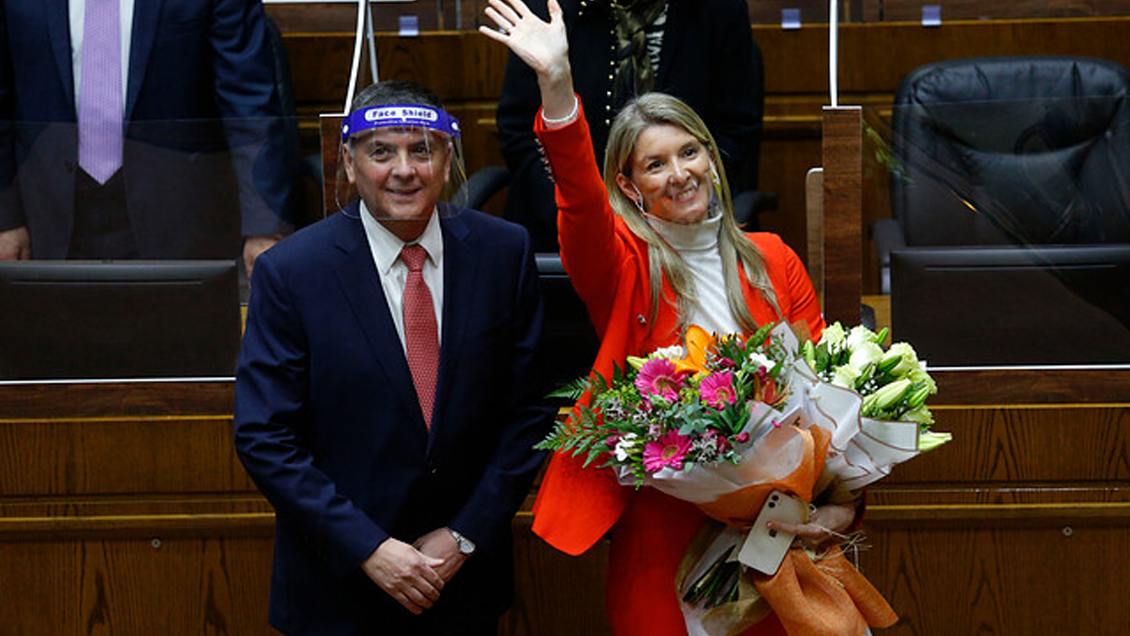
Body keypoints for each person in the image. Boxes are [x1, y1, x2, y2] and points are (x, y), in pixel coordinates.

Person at [481, 2, 887, 634]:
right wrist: (557, 85)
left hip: (779, 530)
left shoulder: (773, 260)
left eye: (690, 152)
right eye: (655, 164)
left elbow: (826, 398)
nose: (680, 174)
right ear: (631, 185)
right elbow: (579, 200)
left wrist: (839, 506)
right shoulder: (623, 264)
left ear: (713, 160)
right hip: (663, 530)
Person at [233, 80, 554, 635]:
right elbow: (266, 435)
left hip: (461, 583)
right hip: (336, 590)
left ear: (448, 159)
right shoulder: (291, 272)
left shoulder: (504, 253)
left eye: (421, 150)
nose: (403, 169)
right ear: (350, 165)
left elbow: (529, 413)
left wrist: (463, 534)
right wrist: (369, 547)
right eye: (381, 152)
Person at [0, 0, 298, 275]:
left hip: (183, 219)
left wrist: (264, 228)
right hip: (43, 217)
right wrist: (4, 219)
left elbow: (249, 102)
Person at [495, 0, 761, 251]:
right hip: (560, 225)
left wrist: (678, 201)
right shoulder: (550, 10)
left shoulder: (717, 8)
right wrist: (578, 215)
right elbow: (518, 132)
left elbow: (734, 129)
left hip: (684, 223)